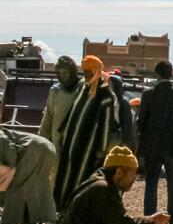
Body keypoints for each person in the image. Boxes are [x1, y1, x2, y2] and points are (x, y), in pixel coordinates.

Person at [53, 56, 120, 214]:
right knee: (64, 177)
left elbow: (105, 124)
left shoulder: (105, 94)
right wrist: (62, 133)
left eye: (90, 73)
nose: (87, 76)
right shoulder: (82, 88)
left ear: (97, 72)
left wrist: (101, 149)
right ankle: (60, 210)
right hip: (71, 143)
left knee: (81, 179)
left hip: (88, 148)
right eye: (85, 73)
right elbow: (72, 112)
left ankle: (75, 213)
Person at [137, 60, 173, 224]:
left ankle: (149, 220)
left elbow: (141, 122)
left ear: (157, 74)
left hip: (152, 146)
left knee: (151, 183)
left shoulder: (148, 94)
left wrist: (145, 138)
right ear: (171, 73)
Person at [0, 127, 57, 224]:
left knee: (16, 187)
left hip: (34, 149)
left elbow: (10, 157)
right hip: (46, 148)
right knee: (34, 189)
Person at [39, 56, 84, 174]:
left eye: (66, 72)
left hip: (78, 140)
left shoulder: (83, 89)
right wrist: (41, 139)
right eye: (60, 73)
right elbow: (48, 117)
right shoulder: (55, 91)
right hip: (58, 141)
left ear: (72, 72)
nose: (63, 75)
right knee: (57, 173)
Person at [108, 73, 135, 150]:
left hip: (119, 139)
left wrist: (125, 142)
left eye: (111, 84)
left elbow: (127, 123)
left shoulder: (123, 102)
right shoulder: (109, 100)